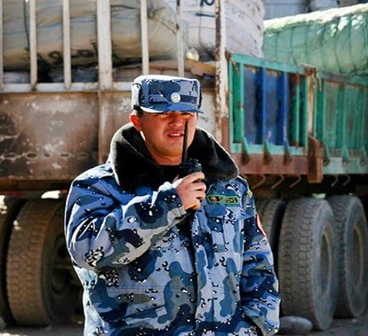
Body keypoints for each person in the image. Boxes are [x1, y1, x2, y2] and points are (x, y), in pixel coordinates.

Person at [64, 75, 279, 335]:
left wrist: (257, 327)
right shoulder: (97, 186)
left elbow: (258, 263)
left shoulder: (230, 187)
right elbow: (87, 253)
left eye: (187, 114)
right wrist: (168, 204)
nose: (177, 122)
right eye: (164, 114)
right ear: (137, 121)